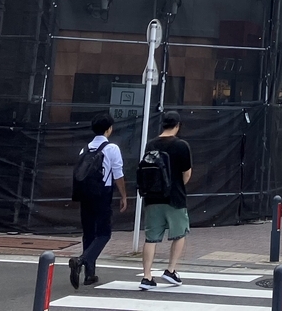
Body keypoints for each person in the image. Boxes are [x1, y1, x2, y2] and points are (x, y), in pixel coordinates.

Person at [69, 112, 127, 289]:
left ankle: (90, 274)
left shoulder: (85, 148)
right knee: (104, 233)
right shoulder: (112, 149)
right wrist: (124, 195)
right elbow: (118, 174)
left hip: (85, 194)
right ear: (109, 129)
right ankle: (81, 261)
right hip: (103, 193)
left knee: (89, 233)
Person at [139, 111, 192, 291]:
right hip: (175, 197)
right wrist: (177, 185)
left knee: (151, 238)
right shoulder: (182, 146)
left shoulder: (151, 144)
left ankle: (146, 276)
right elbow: (186, 173)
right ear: (177, 125)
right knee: (180, 233)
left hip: (152, 197)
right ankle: (170, 270)